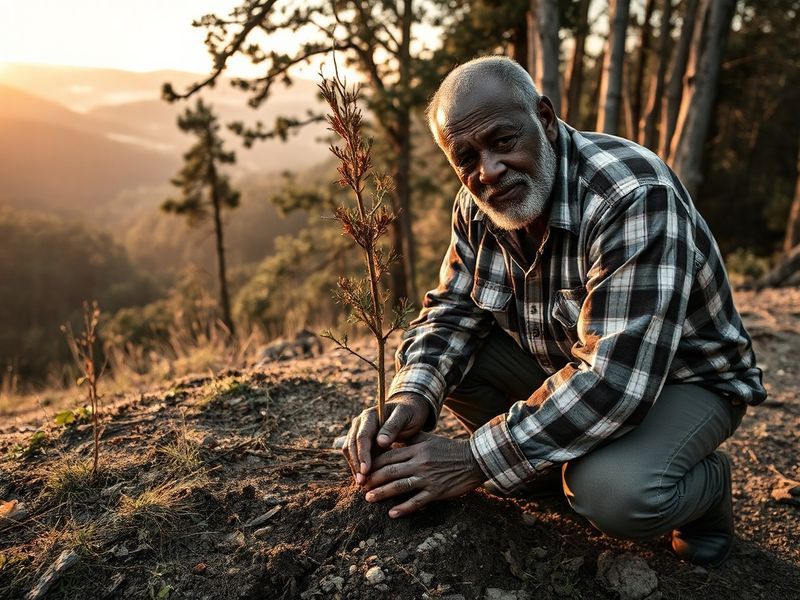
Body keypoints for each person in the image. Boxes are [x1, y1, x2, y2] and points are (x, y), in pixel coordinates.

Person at [341, 56, 765, 567]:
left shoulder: (631, 196)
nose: (489, 171)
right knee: (449, 364)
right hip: (576, 369)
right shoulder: (478, 202)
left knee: (612, 493)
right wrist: (408, 399)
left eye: (503, 141)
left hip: (684, 380)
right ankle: (560, 475)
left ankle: (705, 493)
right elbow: (452, 313)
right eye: (466, 158)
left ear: (544, 117)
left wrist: (475, 459)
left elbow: (615, 381)